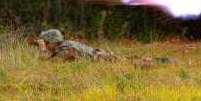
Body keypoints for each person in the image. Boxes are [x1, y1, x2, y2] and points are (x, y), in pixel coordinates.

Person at [35, 29, 171, 66]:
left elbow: (47, 63)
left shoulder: (65, 50)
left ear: (52, 42)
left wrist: (42, 48)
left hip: (101, 58)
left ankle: (161, 62)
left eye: (47, 43)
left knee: (132, 63)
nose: (46, 45)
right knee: (128, 61)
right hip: (100, 56)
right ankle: (160, 61)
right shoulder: (65, 45)